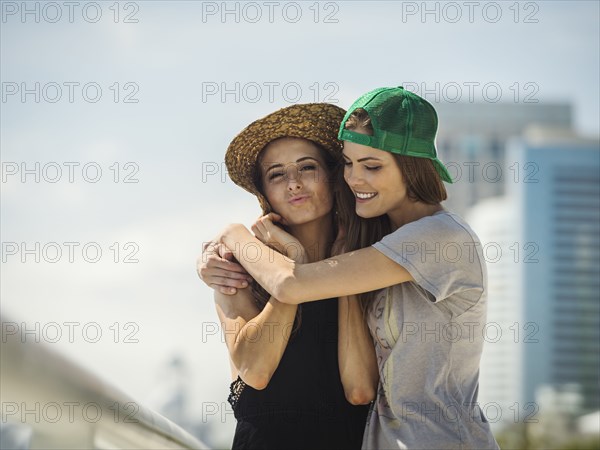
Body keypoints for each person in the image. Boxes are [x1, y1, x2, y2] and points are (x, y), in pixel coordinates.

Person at [209, 87, 500, 449]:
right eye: (349, 163)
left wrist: (231, 232)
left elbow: (358, 386)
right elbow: (255, 369)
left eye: (372, 166)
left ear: (411, 167)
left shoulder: (430, 240)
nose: (355, 179)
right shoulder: (374, 251)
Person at [197, 103, 375, 449]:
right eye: (277, 174)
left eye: (307, 168)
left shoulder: (366, 259)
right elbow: (255, 370)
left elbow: (360, 389)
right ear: (265, 191)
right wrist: (294, 260)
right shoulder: (236, 264)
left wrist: (344, 267)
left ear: (333, 176)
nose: (293, 184)